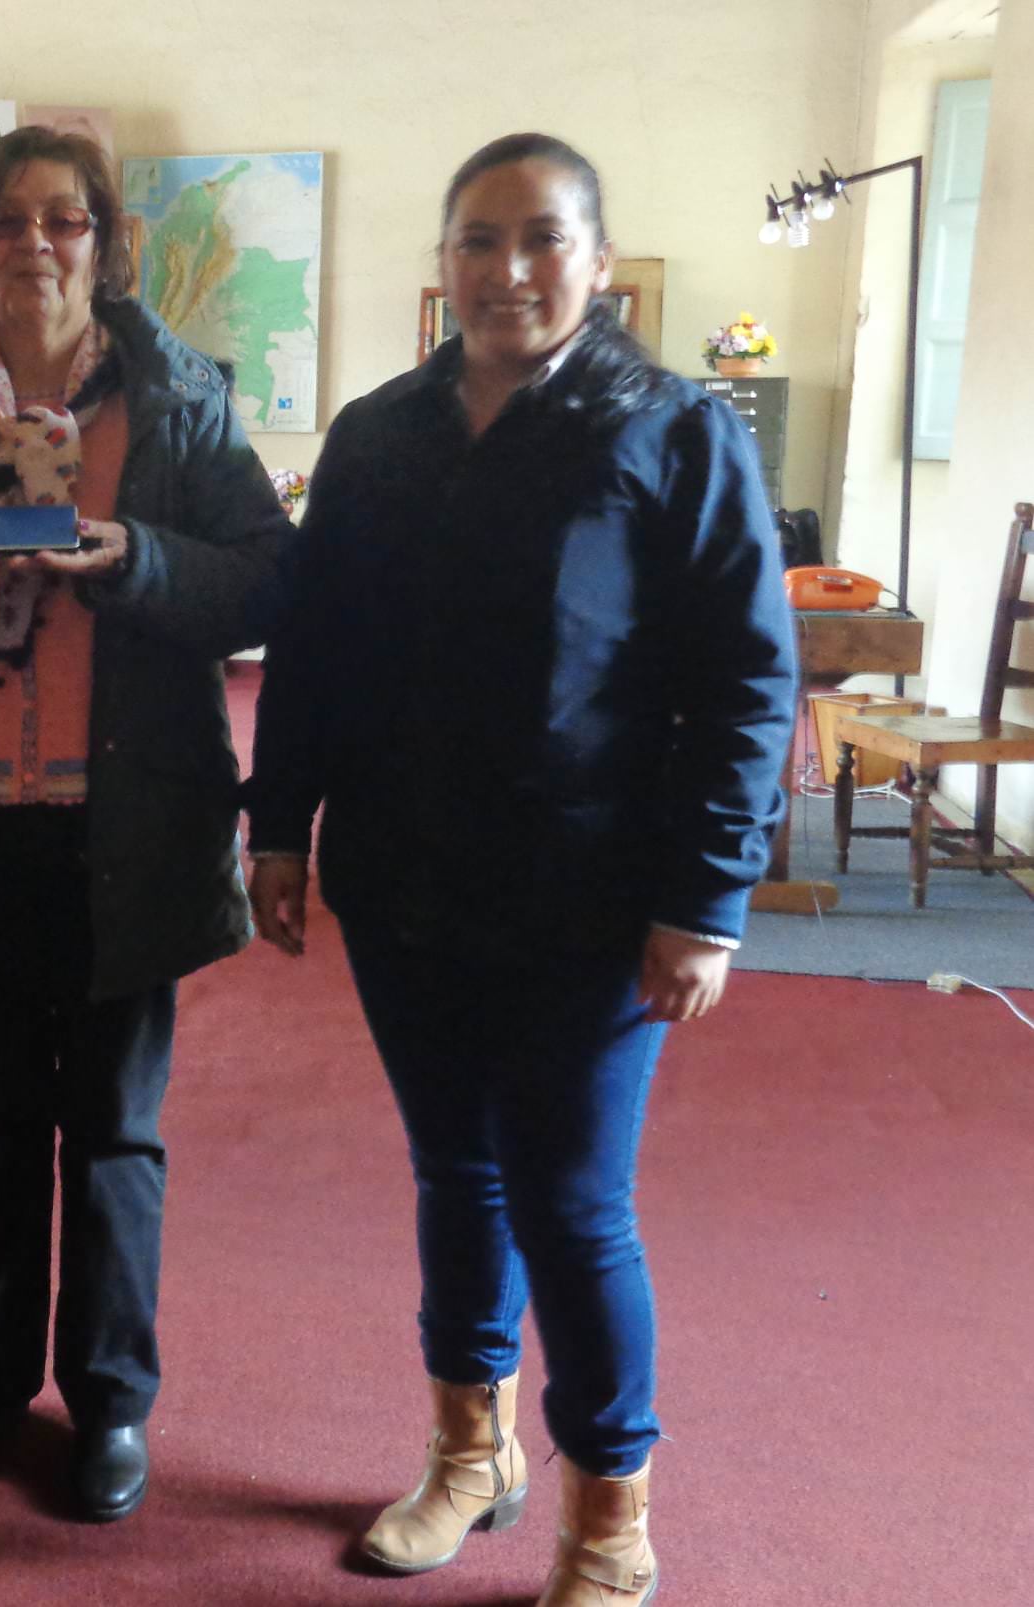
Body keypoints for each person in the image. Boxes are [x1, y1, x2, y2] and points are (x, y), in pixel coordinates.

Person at [247, 133, 796, 1605]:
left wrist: (705, 901)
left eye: (542, 237)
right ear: (443, 262)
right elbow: (312, 647)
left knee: (570, 1200)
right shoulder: (377, 432)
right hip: (404, 879)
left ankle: (609, 1515)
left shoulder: (675, 430)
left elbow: (749, 681)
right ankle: (467, 1451)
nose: (508, 269)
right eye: (479, 240)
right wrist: (277, 824)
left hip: (590, 894)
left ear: (596, 261)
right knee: (454, 1170)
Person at [0, 126, 294, 1522]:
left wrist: (134, 558)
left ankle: (111, 1401)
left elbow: (266, 579)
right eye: (6, 220)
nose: (34, 243)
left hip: (127, 824)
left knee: (116, 1131)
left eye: (63, 219)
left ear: (103, 241)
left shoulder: (178, 396)